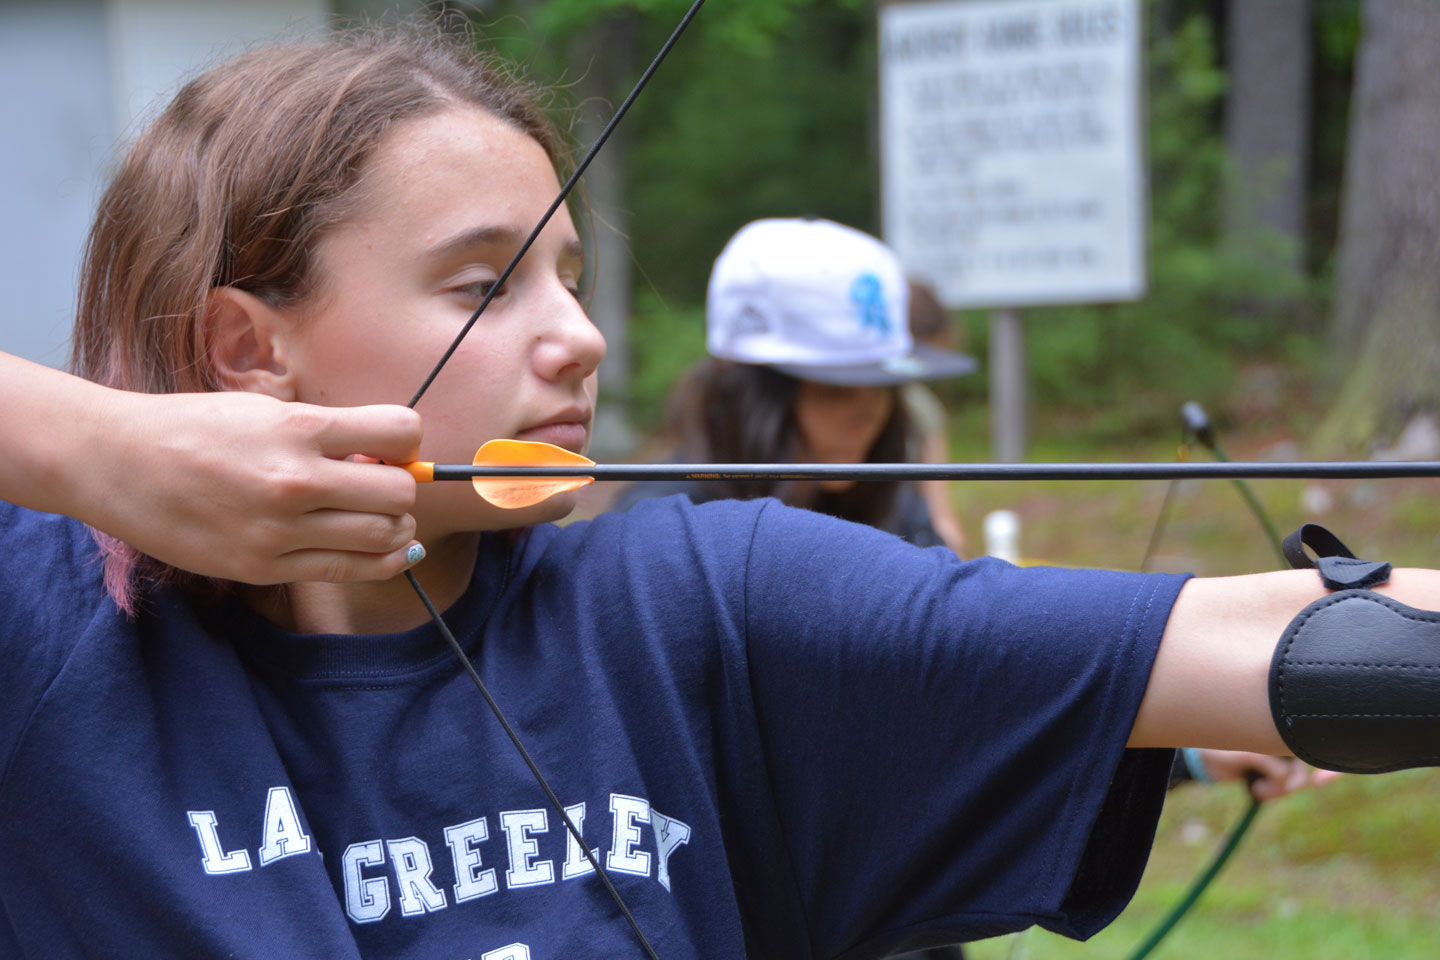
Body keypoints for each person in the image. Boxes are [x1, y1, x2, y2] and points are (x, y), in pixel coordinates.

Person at [0, 23, 1436, 960]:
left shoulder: (696, 605)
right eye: (486, 286)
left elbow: (1262, 642)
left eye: (570, 277)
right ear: (247, 348)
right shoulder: (51, 637)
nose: (580, 338)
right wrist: (94, 451)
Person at [612, 217, 975, 552]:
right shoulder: (662, 529)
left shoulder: (895, 506)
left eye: (882, 387)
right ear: (749, 396)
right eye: (835, 390)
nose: (868, 415)